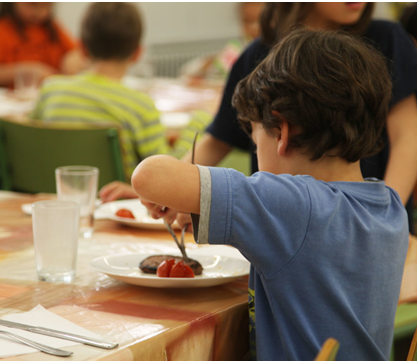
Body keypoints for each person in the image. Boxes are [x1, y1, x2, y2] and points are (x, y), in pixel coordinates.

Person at [131, 28, 409, 360]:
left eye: (254, 135)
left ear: (282, 132)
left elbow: (148, 176)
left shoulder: (293, 206)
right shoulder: (388, 205)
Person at [174, 2, 417, 234]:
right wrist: (172, 191)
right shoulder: (260, 54)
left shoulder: (387, 39)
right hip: (283, 228)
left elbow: (408, 134)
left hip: (366, 227)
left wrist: (383, 220)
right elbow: (219, 138)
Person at [30, 2, 211, 182]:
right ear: (137, 53)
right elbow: (168, 174)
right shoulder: (140, 106)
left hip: (49, 200)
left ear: (82, 48)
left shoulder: (50, 90)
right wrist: (200, 121)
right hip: (118, 205)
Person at [0, 2, 85, 87]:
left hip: (51, 92)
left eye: (46, 6)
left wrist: (72, 59)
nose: (39, 12)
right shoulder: (0, 31)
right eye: (33, 4)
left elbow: (76, 52)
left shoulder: (53, 28)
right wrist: (24, 72)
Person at [179, 2, 264, 82]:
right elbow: (188, 71)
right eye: (247, 21)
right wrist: (205, 68)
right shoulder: (239, 48)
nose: (254, 28)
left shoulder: (272, 53)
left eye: (261, 21)